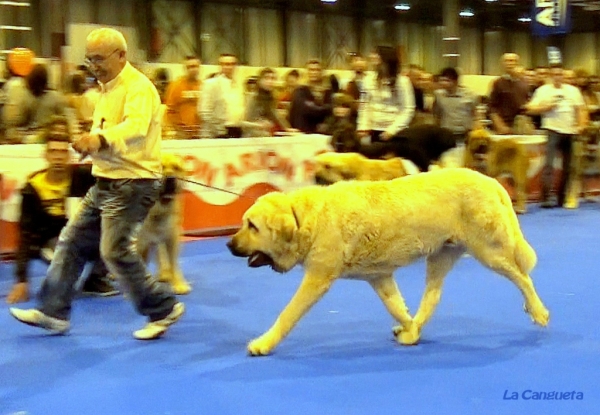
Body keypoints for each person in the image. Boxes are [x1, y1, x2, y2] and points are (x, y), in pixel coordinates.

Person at [9, 27, 184, 340]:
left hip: (134, 182)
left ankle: (162, 308)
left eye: (99, 58)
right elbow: (108, 135)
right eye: (89, 59)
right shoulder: (104, 88)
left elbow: (137, 128)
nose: (94, 65)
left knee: (114, 251)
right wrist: (88, 141)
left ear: (122, 56)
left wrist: (99, 139)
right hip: (105, 180)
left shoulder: (139, 87)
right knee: (72, 240)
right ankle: (53, 311)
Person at [7, 117, 118, 304]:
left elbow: (111, 180)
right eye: (53, 152)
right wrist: (21, 280)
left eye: (62, 152)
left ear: (69, 156)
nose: (58, 157)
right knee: (63, 269)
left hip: (78, 235)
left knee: (118, 228)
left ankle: (95, 279)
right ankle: (63, 276)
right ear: (46, 155)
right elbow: (25, 235)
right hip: (48, 244)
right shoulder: (32, 188)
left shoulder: (82, 176)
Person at [525, 64, 588, 208]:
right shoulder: (543, 91)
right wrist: (545, 108)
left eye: (560, 74)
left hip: (570, 131)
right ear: (550, 76)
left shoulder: (573, 91)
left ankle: (562, 197)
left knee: (568, 166)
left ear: (564, 76)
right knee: (549, 165)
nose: (558, 77)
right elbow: (529, 108)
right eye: (555, 74)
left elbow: (581, 110)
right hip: (552, 129)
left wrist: (581, 125)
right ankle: (546, 197)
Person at [200, 53, 245, 138]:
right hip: (218, 132)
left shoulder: (239, 85)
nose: (230, 67)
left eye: (233, 64)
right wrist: (219, 131)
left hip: (237, 130)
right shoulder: (210, 84)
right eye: (226, 64)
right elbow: (205, 112)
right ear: (220, 66)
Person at [245, 67, 293, 136]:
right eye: (266, 78)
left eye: (272, 78)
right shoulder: (253, 98)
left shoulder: (272, 97)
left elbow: (276, 115)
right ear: (260, 80)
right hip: (251, 138)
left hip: (265, 136)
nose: (270, 81)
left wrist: (287, 129)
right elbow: (244, 123)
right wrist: (258, 125)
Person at [164, 55, 202, 139]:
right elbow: (170, 111)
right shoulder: (176, 85)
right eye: (190, 67)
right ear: (185, 68)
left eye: (196, 66)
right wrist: (179, 128)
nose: (193, 69)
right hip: (181, 133)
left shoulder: (203, 86)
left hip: (200, 133)